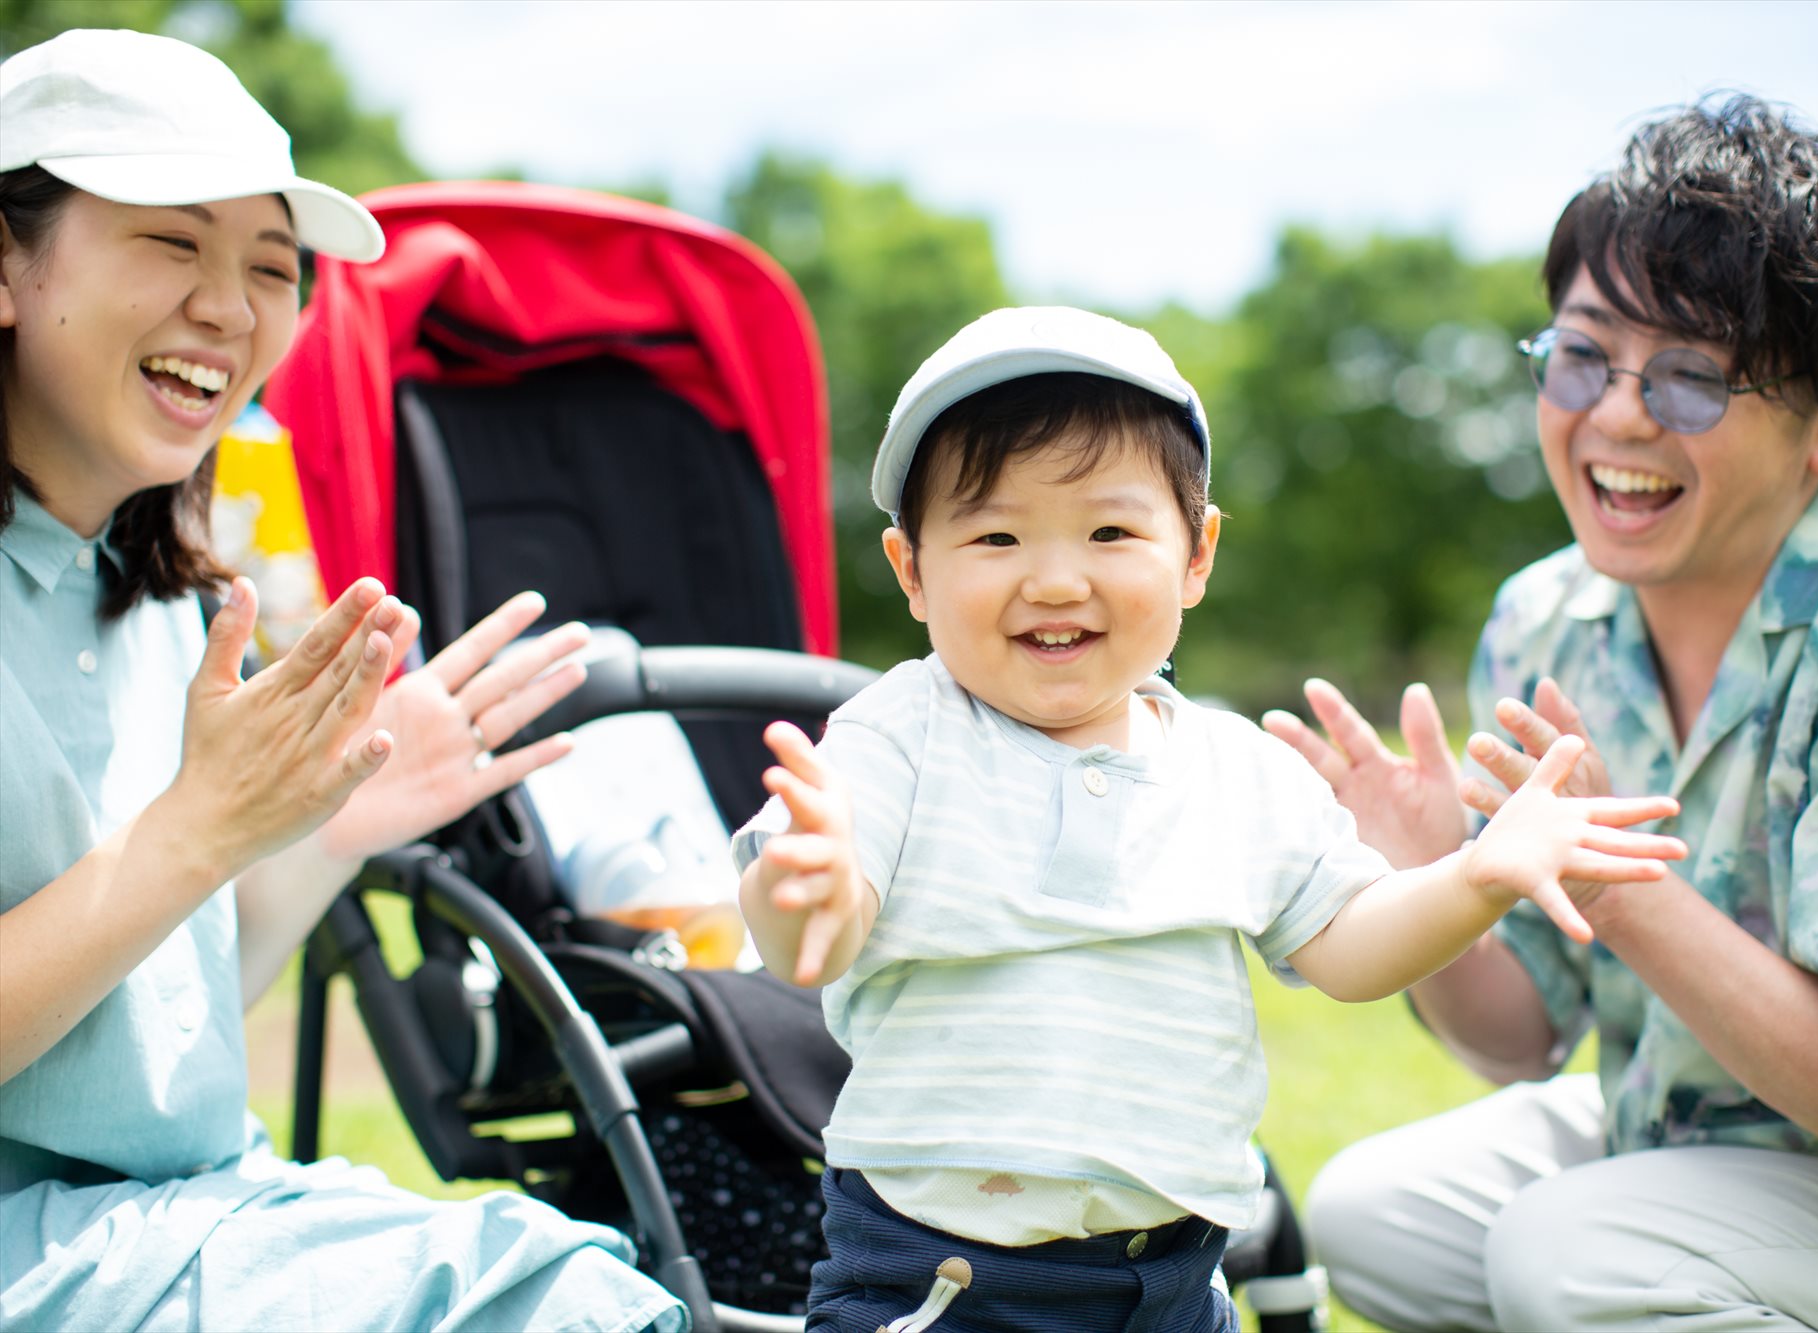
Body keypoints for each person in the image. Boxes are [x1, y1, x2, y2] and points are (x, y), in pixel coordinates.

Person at [729, 305, 1687, 1331]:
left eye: (1109, 530)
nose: (1055, 578)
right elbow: (811, 934)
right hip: (942, 1278)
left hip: (1174, 1276)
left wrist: (1478, 873)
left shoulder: (1233, 768)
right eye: (996, 534)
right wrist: (805, 885)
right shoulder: (898, 737)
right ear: (912, 570)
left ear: (1195, 552)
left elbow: (1347, 948)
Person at [1262, 94, 1818, 1331]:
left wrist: (1617, 887)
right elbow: (1527, 1034)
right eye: (1581, 355)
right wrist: (1434, 876)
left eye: (1692, 377)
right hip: (1685, 1140)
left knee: (1572, 1250)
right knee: (1366, 1214)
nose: (1613, 415)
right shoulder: (1548, 619)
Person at [0, 28, 684, 1332]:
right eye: (171, 242)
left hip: (172, 1218)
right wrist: (195, 830)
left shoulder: (166, 610)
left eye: (271, 268)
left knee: (593, 1279)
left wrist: (328, 827)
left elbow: (135, 1040)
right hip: (47, 1259)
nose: (230, 306)